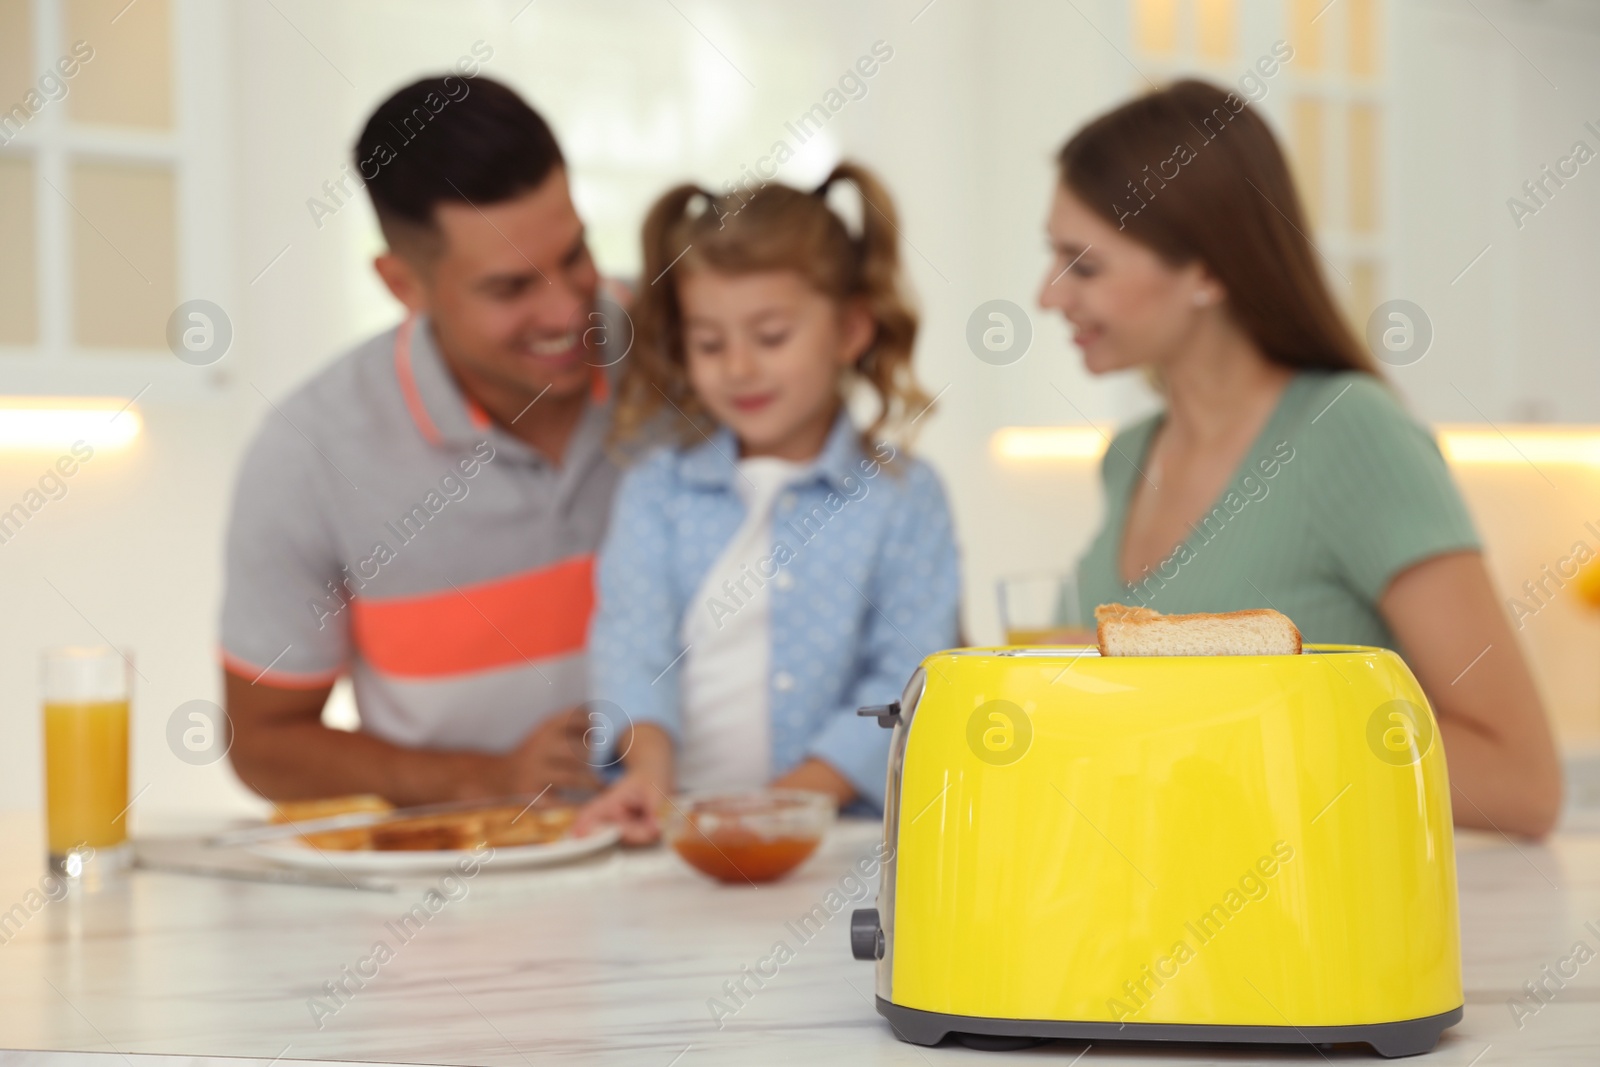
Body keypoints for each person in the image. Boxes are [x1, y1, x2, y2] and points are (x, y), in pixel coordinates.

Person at [1041, 80, 1562, 838]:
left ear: (1207, 272)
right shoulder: (1126, 458)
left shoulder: (1349, 433)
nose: (1048, 297)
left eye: (1083, 267)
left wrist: (1196, 705)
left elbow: (1521, 781)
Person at [221, 76, 626, 804]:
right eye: (510, 288)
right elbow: (263, 741)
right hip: (466, 886)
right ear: (403, 284)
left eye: (574, 256)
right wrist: (489, 779)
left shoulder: (699, 351)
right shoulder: (310, 454)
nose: (569, 310)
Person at [574, 163, 961, 843]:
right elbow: (633, 646)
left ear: (850, 331)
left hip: (842, 845)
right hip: (676, 841)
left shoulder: (904, 498)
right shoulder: (656, 490)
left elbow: (908, 671)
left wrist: (787, 806)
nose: (739, 367)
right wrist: (650, 782)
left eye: (772, 336)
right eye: (709, 342)